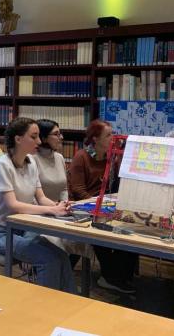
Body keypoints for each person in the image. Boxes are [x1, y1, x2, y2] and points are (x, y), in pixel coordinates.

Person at [0, 117, 76, 293]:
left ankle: (70, 302)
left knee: (61, 255)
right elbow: (13, 205)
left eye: (39, 136)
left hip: (20, 229)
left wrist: (59, 206)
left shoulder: (31, 162)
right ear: (18, 139)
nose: (39, 141)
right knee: (48, 259)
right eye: (34, 137)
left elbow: (41, 197)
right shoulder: (3, 165)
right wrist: (51, 209)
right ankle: (46, 304)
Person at [69, 119, 137, 294]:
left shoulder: (110, 157)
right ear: (95, 138)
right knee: (101, 227)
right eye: (108, 135)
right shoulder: (81, 157)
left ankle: (120, 275)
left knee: (132, 227)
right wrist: (99, 207)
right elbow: (78, 190)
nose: (113, 137)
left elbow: (116, 185)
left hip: (104, 205)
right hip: (83, 207)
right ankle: (111, 276)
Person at [32, 119, 68, 202]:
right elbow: (31, 196)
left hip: (57, 207)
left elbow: (64, 189)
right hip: (38, 208)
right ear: (43, 138)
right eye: (56, 134)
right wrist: (53, 207)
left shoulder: (60, 157)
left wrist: (64, 204)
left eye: (60, 134)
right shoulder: (32, 158)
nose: (61, 137)